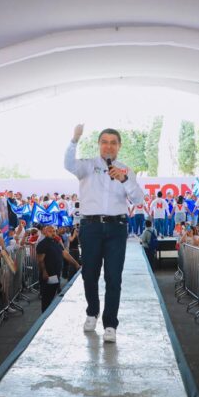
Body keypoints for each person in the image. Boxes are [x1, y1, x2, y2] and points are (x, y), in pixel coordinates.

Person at [65, 124, 144, 343]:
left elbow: (138, 199)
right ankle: (92, 311)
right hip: (90, 227)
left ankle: (110, 324)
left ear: (119, 146)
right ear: (99, 144)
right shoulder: (88, 166)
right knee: (89, 273)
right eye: (104, 142)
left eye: (113, 143)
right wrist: (74, 140)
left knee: (113, 276)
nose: (108, 147)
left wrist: (124, 180)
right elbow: (68, 164)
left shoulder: (126, 170)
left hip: (117, 228)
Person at [36, 224, 80, 312]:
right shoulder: (42, 244)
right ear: (45, 232)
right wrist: (44, 272)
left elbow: (65, 254)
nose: (53, 233)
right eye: (50, 231)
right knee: (46, 299)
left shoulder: (56, 242)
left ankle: (48, 314)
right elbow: (40, 260)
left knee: (52, 295)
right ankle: (44, 318)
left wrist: (76, 264)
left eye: (54, 231)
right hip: (48, 275)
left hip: (56, 274)